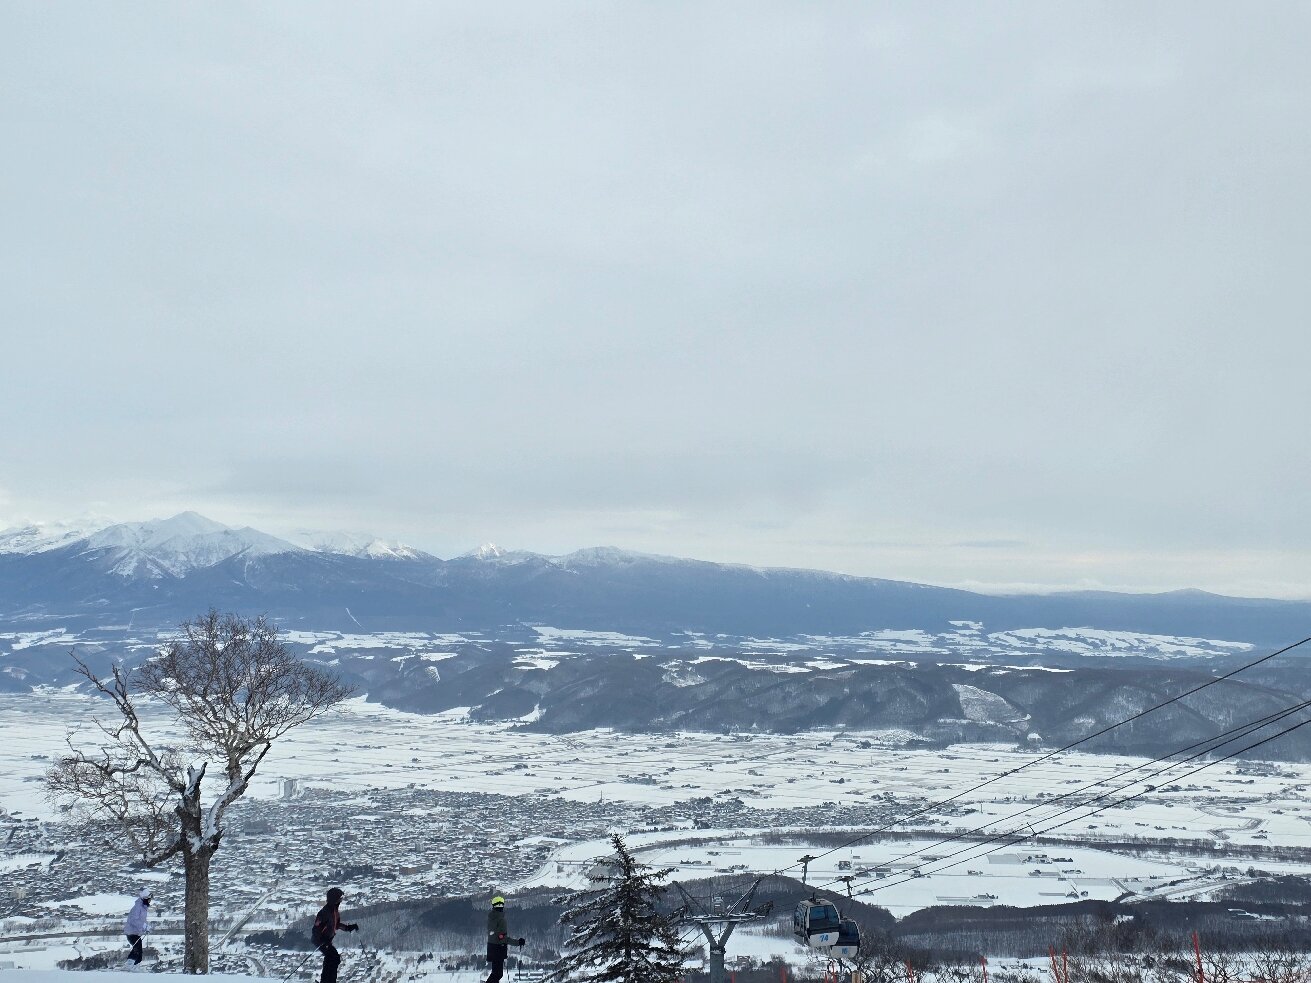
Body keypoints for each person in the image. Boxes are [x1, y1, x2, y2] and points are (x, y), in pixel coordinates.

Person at [312, 886, 359, 983]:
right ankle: (326, 981)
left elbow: (336, 925)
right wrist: (321, 940)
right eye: (339, 898)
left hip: (326, 940)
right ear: (334, 899)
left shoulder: (334, 911)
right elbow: (315, 928)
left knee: (333, 958)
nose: (341, 900)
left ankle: (328, 980)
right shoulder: (324, 912)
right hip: (320, 940)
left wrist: (348, 928)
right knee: (333, 957)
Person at [485, 895, 525, 983]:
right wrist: (518, 942)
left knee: (495, 973)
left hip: (492, 948)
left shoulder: (491, 917)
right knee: (498, 974)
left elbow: (496, 935)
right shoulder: (501, 919)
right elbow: (502, 938)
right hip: (498, 949)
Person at [123, 889, 151, 965]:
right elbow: (133, 920)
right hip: (131, 933)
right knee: (137, 950)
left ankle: (135, 966)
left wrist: (146, 927)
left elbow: (142, 920)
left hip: (136, 933)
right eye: (149, 899)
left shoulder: (143, 907)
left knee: (139, 951)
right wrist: (143, 926)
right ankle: (129, 965)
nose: (150, 901)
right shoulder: (138, 907)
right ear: (144, 898)